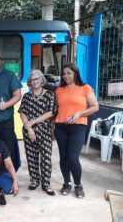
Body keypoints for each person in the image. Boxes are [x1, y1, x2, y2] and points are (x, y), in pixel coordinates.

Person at [55, 63, 98, 198]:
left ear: (75, 73)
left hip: (78, 127)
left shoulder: (85, 88)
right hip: (60, 127)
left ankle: (78, 185)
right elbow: (55, 111)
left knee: (73, 158)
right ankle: (66, 183)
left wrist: (79, 114)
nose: (66, 76)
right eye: (64, 73)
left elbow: (94, 107)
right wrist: (52, 129)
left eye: (69, 73)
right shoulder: (58, 90)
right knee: (63, 158)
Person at [19, 70, 57, 196]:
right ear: (29, 82)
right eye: (32, 79)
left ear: (42, 80)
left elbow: (50, 113)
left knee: (46, 157)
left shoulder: (50, 95)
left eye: (37, 79)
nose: (35, 81)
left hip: (44, 130)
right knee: (31, 156)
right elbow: (22, 112)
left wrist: (33, 122)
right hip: (28, 131)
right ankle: (34, 180)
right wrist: (29, 128)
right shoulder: (26, 96)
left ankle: (46, 183)